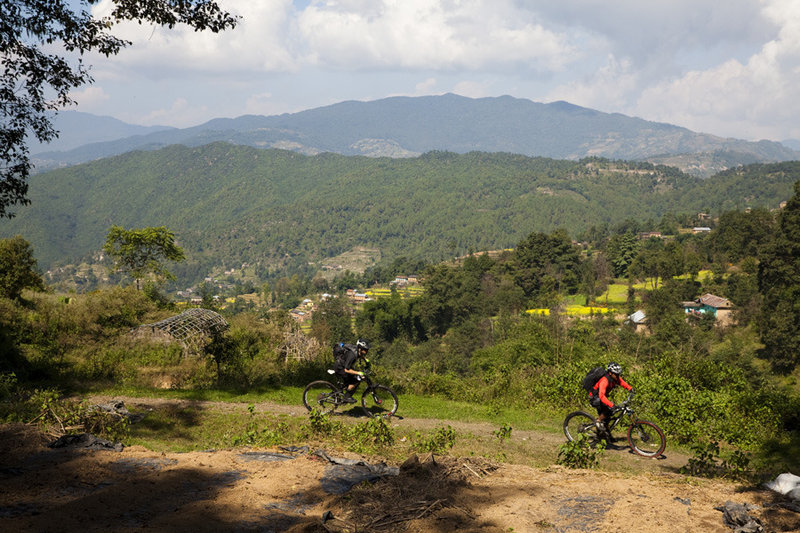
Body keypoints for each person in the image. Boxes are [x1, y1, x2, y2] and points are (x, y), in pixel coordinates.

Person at [588, 362, 633, 440]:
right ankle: (598, 421)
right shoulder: (604, 380)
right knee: (608, 411)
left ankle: (604, 436)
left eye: (618, 374)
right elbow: (601, 396)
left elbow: (622, 382)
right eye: (616, 374)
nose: (618, 376)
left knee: (607, 418)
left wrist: (630, 388)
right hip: (595, 398)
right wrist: (611, 405)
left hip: (601, 397)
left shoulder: (615, 378)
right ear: (610, 373)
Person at [333, 339, 370, 403]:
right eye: (365, 349)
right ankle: (347, 397)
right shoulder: (352, 355)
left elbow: (360, 355)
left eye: (367, 350)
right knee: (355, 380)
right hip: (340, 367)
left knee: (353, 379)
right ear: (360, 349)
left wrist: (366, 360)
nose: (367, 351)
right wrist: (358, 372)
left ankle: (338, 393)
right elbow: (346, 370)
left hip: (343, 365)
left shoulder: (357, 350)